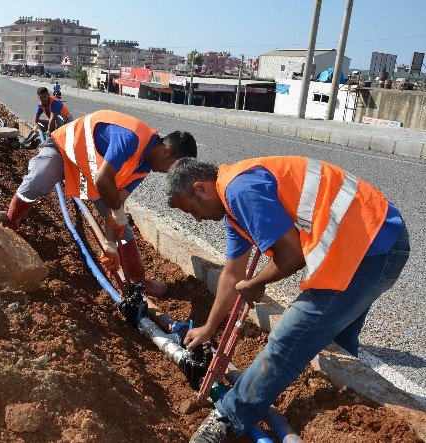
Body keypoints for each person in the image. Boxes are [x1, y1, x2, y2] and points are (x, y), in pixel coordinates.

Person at [165, 157, 409, 443]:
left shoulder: (240, 190)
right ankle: (335, 409)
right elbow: (232, 274)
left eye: (192, 209)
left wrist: (257, 284)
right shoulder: (233, 202)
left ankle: (227, 418)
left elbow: (291, 255)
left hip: (371, 248)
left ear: (201, 189)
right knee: (334, 338)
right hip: (365, 243)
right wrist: (209, 328)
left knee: (288, 338)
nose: (197, 218)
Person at [5, 110, 197, 296]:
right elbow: (103, 180)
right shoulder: (132, 138)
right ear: (166, 151)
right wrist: (116, 212)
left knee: (122, 228)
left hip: (90, 171)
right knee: (38, 180)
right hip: (64, 149)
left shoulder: (144, 167)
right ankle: (11, 222)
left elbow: (116, 202)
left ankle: (139, 281)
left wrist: (110, 244)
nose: (169, 174)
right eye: (173, 167)